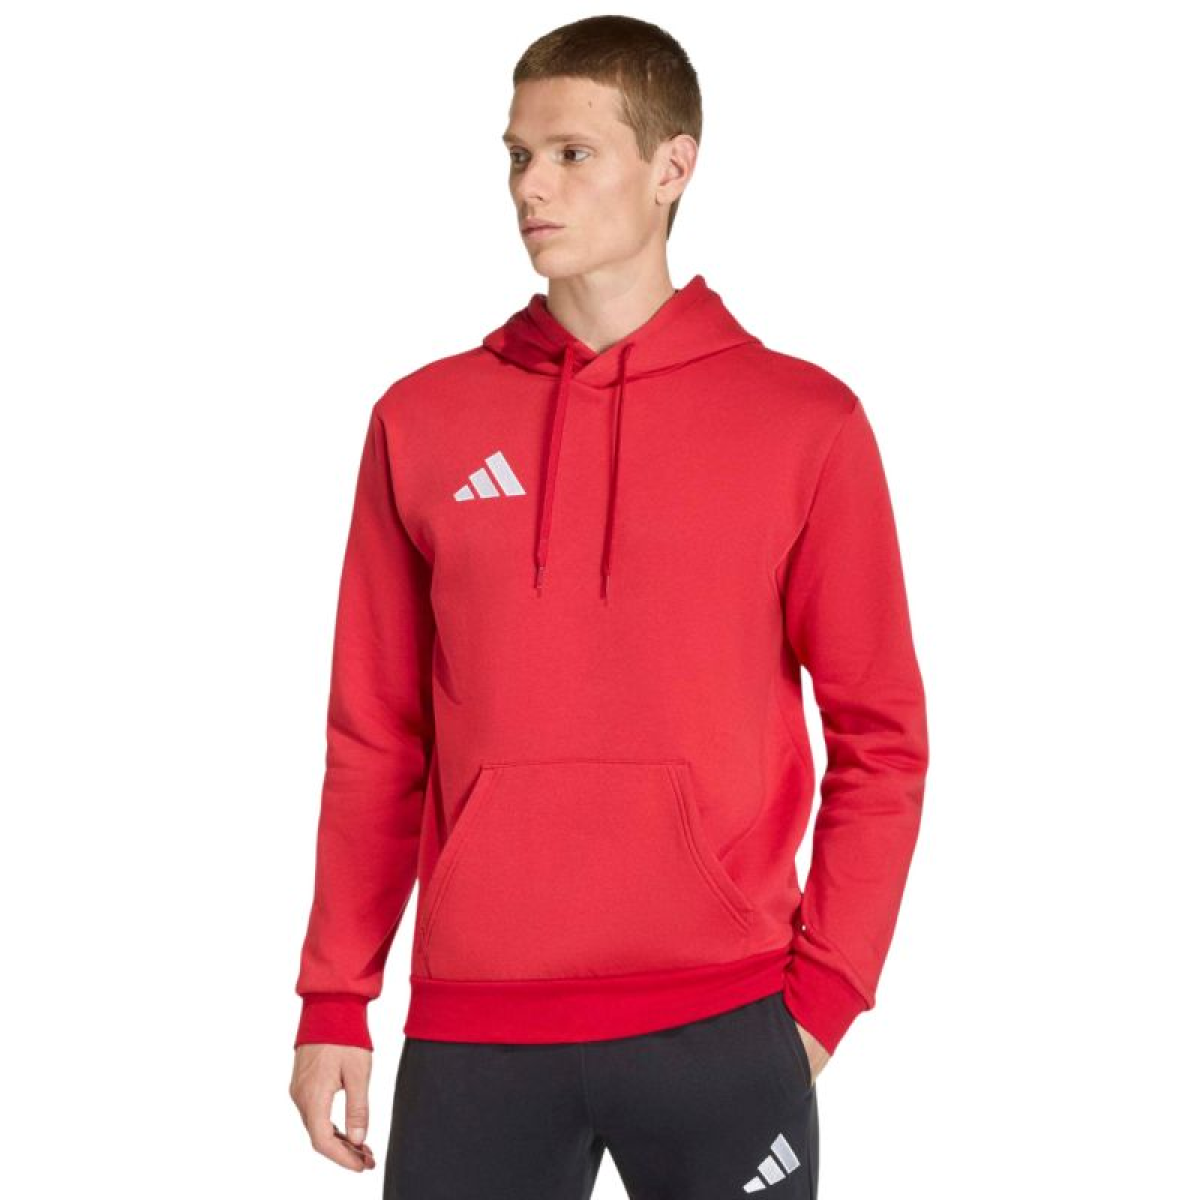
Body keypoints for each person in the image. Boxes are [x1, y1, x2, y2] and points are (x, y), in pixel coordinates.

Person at [288, 15, 929, 1199]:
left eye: (571, 153)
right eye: (517, 156)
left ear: (673, 166)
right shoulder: (422, 422)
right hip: (476, 1024)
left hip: (725, 1019)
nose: (530, 187)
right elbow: (376, 735)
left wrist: (828, 994)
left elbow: (882, 736)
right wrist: (336, 994)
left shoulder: (805, 424)